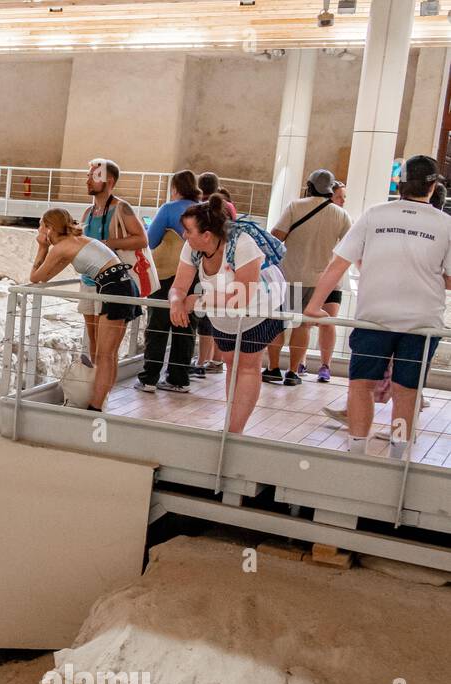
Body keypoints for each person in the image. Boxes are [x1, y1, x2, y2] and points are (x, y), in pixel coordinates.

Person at [304, 155, 451, 460]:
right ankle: (398, 453)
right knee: (406, 392)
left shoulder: (375, 214)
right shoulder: (445, 224)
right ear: (433, 185)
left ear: (399, 183)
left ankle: (357, 449)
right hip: (422, 323)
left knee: (361, 385)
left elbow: (338, 264)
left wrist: (315, 305)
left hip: (374, 318)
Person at [169, 196, 285, 434]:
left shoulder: (242, 243)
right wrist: (176, 303)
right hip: (221, 312)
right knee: (232, 362)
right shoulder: (192, 248)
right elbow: (178, 286)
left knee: (248, 365)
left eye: (188, 230)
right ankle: (231, 425)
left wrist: (196, 301)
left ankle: (234, 431)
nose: (184, 235)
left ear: (207, 235)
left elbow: (242, 296)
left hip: (260, 309)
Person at [32, 208, 142, 411]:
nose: (38, 229)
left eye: (40, 225)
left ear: (49, 228)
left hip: (114, 286)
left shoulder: (61, 247)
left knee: (105, 354)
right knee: (109, 353)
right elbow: (45, 276)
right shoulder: (73, 242)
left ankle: (96, 406)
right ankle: (100, 400)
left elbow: (35, 277)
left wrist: (41, 247)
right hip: (122, 283)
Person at [266, 169, 353, 385]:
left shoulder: (296, 206)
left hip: (288, 275)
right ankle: (293, 373)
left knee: (278, 322)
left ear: (309, 185)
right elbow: (348, 247)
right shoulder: (341, 215)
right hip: (318, 280)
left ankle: (273, 368)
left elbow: (276, 237)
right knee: (302, 325)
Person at [77, 158, 150, 361]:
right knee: (93, 341)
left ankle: (102, 390)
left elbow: (142, 239)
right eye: (88, 176)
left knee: (106, 347)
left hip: (112, 284)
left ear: (109, 180)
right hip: (89, 282)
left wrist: (109, 243)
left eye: (94, 176)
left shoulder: (121, 208)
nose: (88, 181)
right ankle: (96, 385)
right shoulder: (88, 212)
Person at [136, 170, 200, 393]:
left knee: (157, 326)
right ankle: (178, 379)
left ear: (174, 188)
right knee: (186, 327)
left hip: (168, 276)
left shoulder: (169, 209)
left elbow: (150, 241)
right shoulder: (202, 210)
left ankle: (149, 378)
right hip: (196, 276)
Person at [191, 171, 237, 377]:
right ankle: (217, 360)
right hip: (226, 273)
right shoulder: (229, 208)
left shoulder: (200, 209)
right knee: (218, 315)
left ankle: (202, 360)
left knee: (207, 317)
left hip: (212, 270)